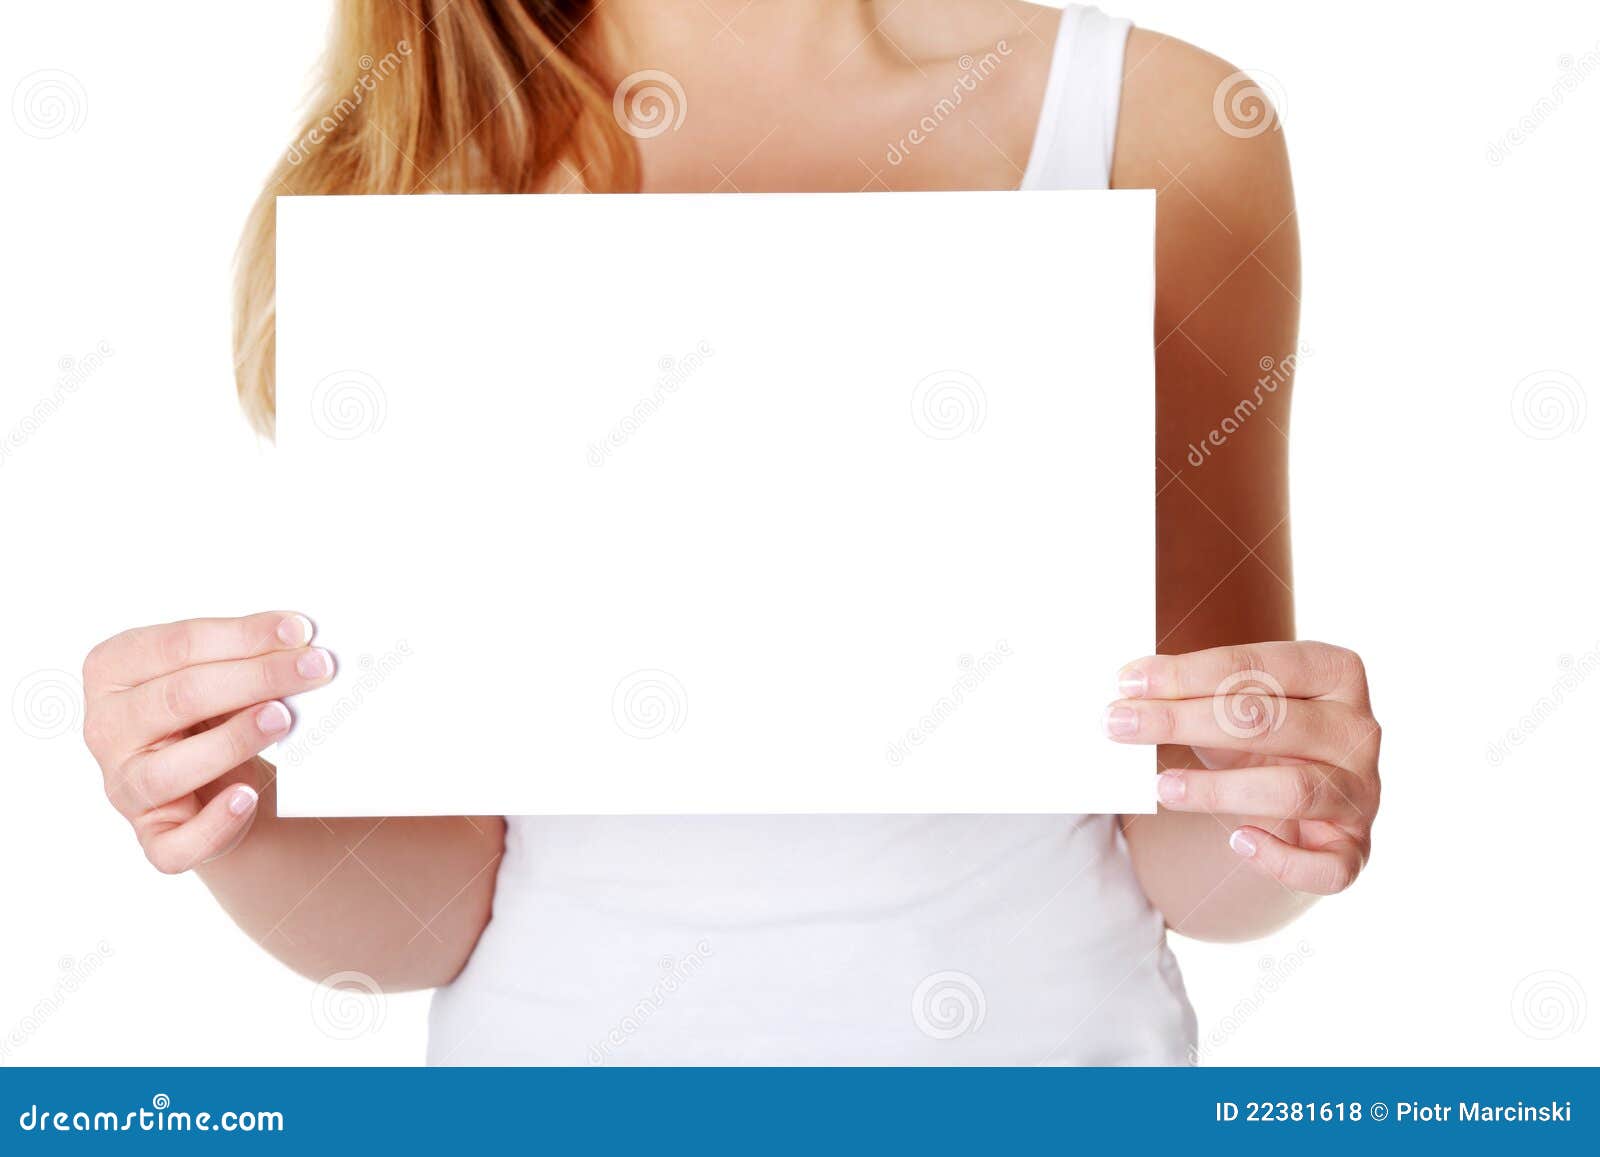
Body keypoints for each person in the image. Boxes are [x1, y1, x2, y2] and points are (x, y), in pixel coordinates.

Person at [79, 0, 1381, 1063]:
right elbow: (430, 913)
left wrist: (1288, 799)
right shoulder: (430, 148)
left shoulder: (1156, 123)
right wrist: (230, 811)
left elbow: (1199, 822)